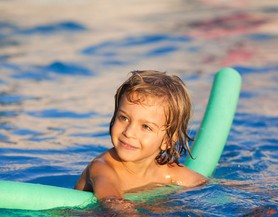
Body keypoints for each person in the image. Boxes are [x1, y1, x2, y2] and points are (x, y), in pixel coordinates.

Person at [74, 70, 206, 202]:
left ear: (168, 140)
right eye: (124, 118)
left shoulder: (167, 172)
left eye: (146, 127)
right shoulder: (102, 167)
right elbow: (113, 203)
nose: (129, 132)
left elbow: (206, 186)